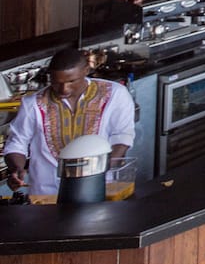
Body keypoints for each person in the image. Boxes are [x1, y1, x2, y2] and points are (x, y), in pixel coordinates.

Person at [3, 48, 135, 197]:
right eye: (56, 82)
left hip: (99, 188)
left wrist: (101, 170)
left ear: (86, 70)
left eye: (71, 81)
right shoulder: (33, 104)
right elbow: (16, 143)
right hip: (46, 193)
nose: (64, 89)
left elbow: (122, 136)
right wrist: (16, 169)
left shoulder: (114, 94)